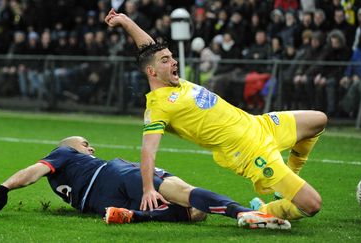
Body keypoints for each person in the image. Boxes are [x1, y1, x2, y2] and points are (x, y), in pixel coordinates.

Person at [105, 9, 327, 225]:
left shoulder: (174, 81)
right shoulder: (158, 107)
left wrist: (126, 22)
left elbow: (149, 49)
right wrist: (148, 188)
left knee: (319, 120)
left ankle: (285, 185)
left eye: (171, 57)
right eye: (165, 60)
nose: (173, 62)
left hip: (259, 124)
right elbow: (148, 150)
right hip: (250, 152)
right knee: (312, 204)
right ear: (152, 73)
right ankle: (263, 210)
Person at [0, 136, 290, 229]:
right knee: (184, 192)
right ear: (70, 145)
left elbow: (37, 174)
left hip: (101, 203)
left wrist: (4, 189)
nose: (91, 147)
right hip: (118, 175)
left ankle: (135, 216)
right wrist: (4, 187)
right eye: (86, 143)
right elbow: (32, 171)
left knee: (194, 213)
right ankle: (243, 212)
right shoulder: (63, 153)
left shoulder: (66, 176)